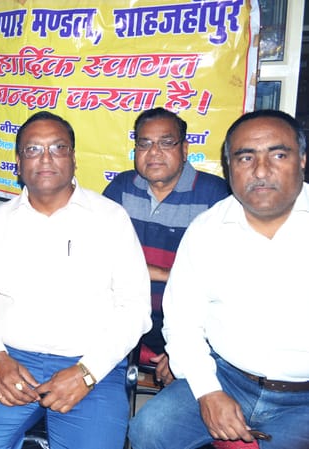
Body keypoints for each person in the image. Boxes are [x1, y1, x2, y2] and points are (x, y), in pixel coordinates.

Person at [0, 111, 151, 449]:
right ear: (18, 163)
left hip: (91, 363)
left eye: (58, 147)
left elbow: (135, 307)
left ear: (73, 158)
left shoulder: (110, 218)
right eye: (33, 149)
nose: (45, 158)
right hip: (13, 359)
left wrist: (87, 372)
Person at [128, 109, 309, 449]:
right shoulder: (208, 229)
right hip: (228, 376)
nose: (260, 171)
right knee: (149, 430)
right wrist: (208, 391)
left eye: (278, 155)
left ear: (301, 159)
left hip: (302, 398)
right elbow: (182, 322)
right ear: (229, 166)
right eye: (245, 157)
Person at [103, 107, 229, 386]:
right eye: (144, 144)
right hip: (125, 310)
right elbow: (100, 258)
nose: (154, 153)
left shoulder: (215, 196)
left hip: (185, 317)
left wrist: (184, 351)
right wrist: (165, 274)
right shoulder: (122, 187)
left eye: (166, 143)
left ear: (184, 149)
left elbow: (221, 281)